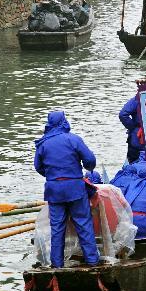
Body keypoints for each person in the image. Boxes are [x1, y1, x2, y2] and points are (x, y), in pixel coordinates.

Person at [33, 111, 99, 268]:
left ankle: (57, 264)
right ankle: (92, 261)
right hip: (75, 188)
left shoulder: (43, 143)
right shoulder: (73, 139)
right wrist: (86, 169)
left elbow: (38, 167)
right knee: (83, 224)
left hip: (54, 190)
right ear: (63, 122)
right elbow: (90, 160)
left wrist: (52, 176)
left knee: (57, 228)